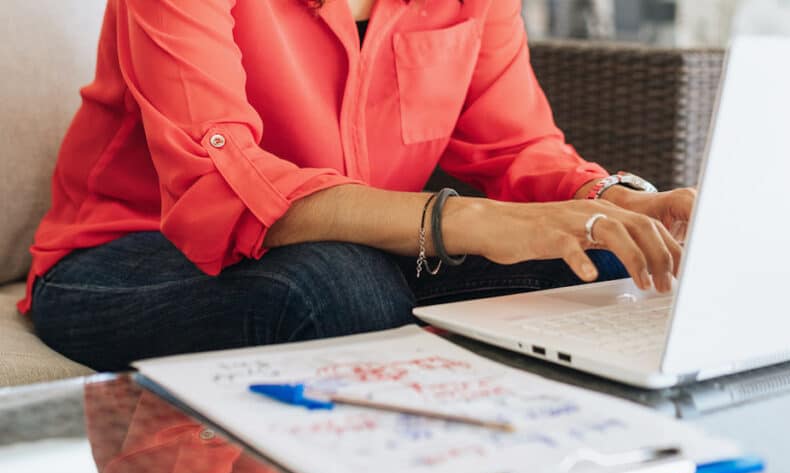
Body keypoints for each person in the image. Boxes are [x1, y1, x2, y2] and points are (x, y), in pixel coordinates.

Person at [21, 0, 696, 371]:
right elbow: (218, 178)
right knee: (338, 285)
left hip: (371, 247)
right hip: (127, 258)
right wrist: (465, 223)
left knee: (608, 259)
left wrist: (617, 203)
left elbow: (516, 144)